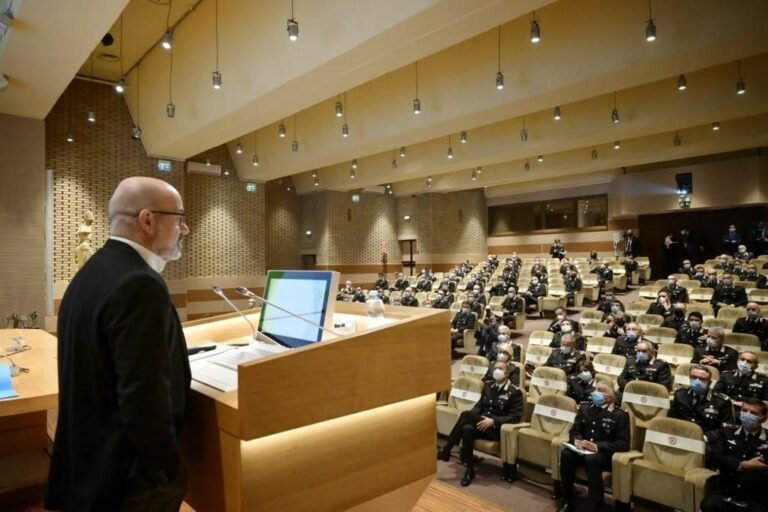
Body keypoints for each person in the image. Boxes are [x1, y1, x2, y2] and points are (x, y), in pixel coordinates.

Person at [46, 177, 191, 512]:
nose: (183, 229)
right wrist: (165, 469)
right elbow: (143, 395)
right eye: (179, 218)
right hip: (125, 480)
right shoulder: (139, 283)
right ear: (148, 220)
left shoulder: (90, 274)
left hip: (88, 468)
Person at [437, 362, 523, 487]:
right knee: (467, 428)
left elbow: (515, 417)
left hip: (495, 430)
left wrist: (493, 421)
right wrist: (474, 417)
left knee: (466, 415)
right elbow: (479, 406)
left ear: (507, 374)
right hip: (480, 425)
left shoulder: (514, 392)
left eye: (500, 368)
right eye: (495, 368)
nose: (496, 370)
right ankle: (469, 470)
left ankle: (447, 449)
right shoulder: (487, 386)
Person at [556, 381, 630, 512]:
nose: (595, 392)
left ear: (609, 396)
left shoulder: (620, 415)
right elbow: (574, 430)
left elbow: (623, 444)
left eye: (600, 390)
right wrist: (576, 441)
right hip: (582, 450)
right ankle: (566, 499)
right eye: (595, 389)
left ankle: (595, 505)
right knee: (566, 454)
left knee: (592, 459)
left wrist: (597, 447)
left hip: (603, 455)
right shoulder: (585, 408)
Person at [701, 398, 768, 512]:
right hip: (726, 488)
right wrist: (742, 465)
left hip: (755, 494)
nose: (747, 415)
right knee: (708, 504)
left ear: (764, 418)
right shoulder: (727, 432)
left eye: (753, 413)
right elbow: (715, 458)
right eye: (744, 410)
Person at [668, 365, 732, 435]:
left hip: (706, 438)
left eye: (702, 379)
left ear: (709, 382)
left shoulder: (721, 401)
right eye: (694, 377)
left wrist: (707, 437)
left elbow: (726, 428)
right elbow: (671, 419)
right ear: (689, 378)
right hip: (681, 435)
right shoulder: (680, 395)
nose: (697, 381)